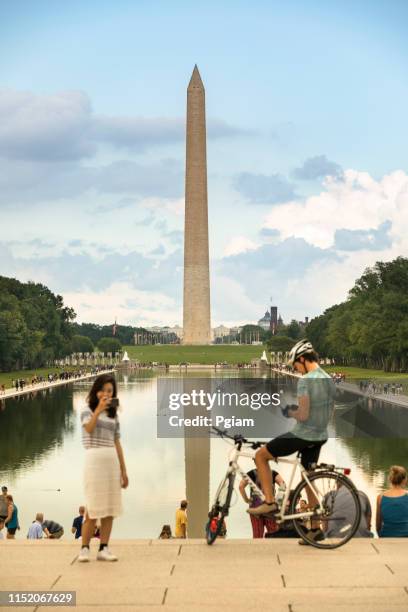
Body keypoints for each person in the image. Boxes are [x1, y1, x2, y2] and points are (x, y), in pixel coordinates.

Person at [249, 339, 336, 545]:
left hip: (303, 434)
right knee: (309, 479)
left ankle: (269, 502)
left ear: (303, 359)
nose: (295, 369)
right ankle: (315, 530)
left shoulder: (306, 381)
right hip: (320, 435)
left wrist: (290, 411)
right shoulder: (327, 378)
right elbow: (329, 412)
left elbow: (304, 414)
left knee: (261, 455)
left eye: (295, 364)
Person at [78, 374, 128, 562]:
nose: (107, 394)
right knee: (93, 507)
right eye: (104, 390)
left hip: (111, 461)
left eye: (110, 391)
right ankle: (84, 548)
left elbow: (117, 442)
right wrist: (98, 410)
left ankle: (103, 548)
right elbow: (88, 429)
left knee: (109, 509)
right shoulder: (86, 410)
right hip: (94, 459)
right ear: (96, 391)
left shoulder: (114, 416)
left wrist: (124, 470)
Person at [239, 467, 285, 538]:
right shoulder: (272, 473)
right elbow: (283, 485)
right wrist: (278, 500)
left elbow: (241, 486)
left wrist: (247, 500)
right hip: (270, 506)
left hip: (255, 507)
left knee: (257, 534)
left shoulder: (251, 473)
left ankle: (256, 549)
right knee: (273, 533)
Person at [376, 465, 408, 537]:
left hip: (386, 536)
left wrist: (381, 537)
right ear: (404, 480)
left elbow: (378, 526)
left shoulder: (380, 497)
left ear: (390, 479)